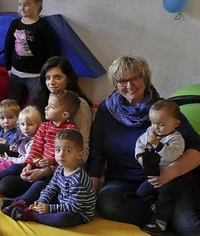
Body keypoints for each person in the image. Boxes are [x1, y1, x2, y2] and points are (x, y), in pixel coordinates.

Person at [86, 56, 200, 236]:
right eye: (122, 81)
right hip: (124, 181)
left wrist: (171, 172)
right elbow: (96, 154)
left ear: (145, 79)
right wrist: (89, 194)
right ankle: (161, 218)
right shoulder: (106, 110)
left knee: (191, 228)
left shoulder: (164, 109)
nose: (129, 86)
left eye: (135, 78)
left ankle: (163, 218)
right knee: (108, 203)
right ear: (115, 84)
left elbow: (196, 146)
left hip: (169, 180)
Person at [4, 129, 96, 228]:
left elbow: (74, 207)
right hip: (62, 202)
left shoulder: (78, 180)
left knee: (63, 219)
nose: (61, 154)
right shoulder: (60, 169)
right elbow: (51, 188)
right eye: (58, 150)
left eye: (67, 151)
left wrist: (49, 208)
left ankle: (31, 215)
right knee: (39, 185)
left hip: (78, 212)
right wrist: (41, 201)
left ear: (80, 155)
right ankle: (19, 203)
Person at [0, 89, 80, 198]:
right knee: (5, 183)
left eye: (51, 106)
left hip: (54, 172)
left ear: (64, 115)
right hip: (38, 163)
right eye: (47, 104)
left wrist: (51, 162)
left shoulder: (71, 132)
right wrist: (29, 165)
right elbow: (36, 148)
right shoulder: (44, 126)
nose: (46, 108)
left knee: (39, 185)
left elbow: (69, 158)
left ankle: (19, 203)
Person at [135, 100, 189, 234]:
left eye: (161, 124)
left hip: (172, 179)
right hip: (154, 175)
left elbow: (172, 155)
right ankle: (155, 208)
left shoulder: (176, 139)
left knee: (166, 198)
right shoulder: (150, 132)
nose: (155, 127)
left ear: (175, 123)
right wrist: (140, 156)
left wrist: (157, 145)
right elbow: (139, 143)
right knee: (141, 192)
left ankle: (160, 223)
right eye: (153, 123)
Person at [30, 56, 93, 161]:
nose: (51, 82)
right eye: (47, 77)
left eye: (57, 77)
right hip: (37, 157)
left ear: (68, 79)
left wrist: (47, 170)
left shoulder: (80, 104)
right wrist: (31, 163)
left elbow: (83, 148)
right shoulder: (42, 98)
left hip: (64, 164)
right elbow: (36, 142)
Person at [4, 0, 58, 106]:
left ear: (37, 4)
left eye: (26, 5)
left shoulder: (42, 26)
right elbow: (7, 46)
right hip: (16, 73)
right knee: (12, 105)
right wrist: (8, 67)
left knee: (36, 105)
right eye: (19, 4)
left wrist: (47, 72)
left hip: (35, 76)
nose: (22, 8)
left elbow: (51, 50)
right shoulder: (15, 24)